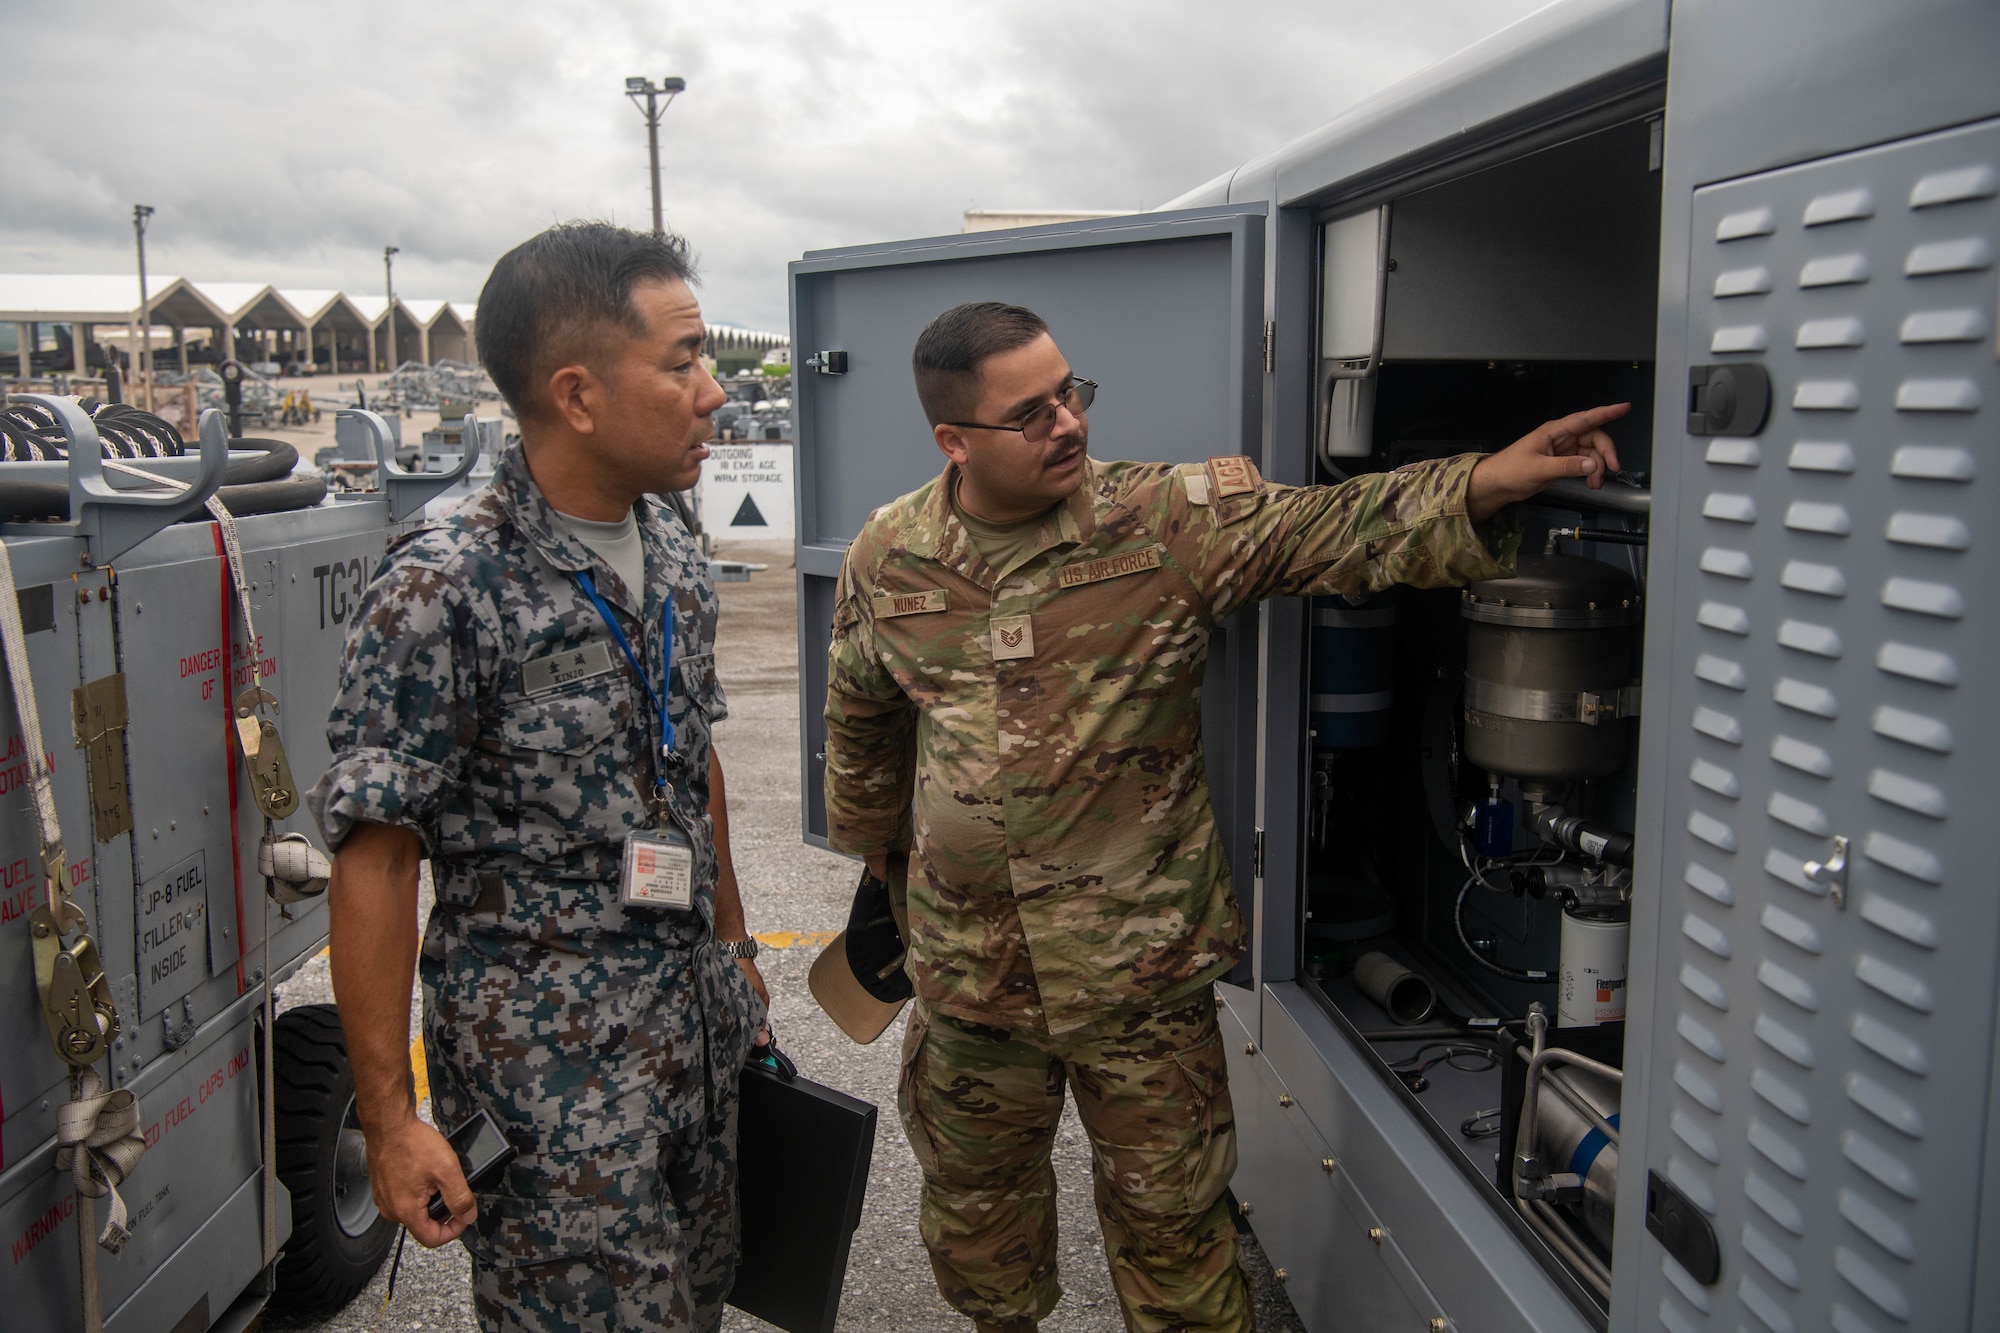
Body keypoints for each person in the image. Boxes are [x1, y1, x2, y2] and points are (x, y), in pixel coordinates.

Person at [822, 301, 1625, 1333]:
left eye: (1070, 392)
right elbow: (862, 720)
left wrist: (1486, 478)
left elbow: (1339, 528)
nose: (1066, 421)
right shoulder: (890, 552)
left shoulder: (1165, 518)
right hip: (971, 980)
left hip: (1138, 980)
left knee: (1177, 1236)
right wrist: (882, 868)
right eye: (1029, 413)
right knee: (980, 1227)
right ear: (954, 441)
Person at [310, 222, 768, 1333]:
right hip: (550, 1080)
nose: (713, 393)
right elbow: (376, 859)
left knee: (695, 1303)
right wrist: (388, 1117)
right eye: (682, 362)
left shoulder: (666, 543)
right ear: (576, 394)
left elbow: (687, 756)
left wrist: (735, 948)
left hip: (690, 1035)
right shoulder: (445, 582)